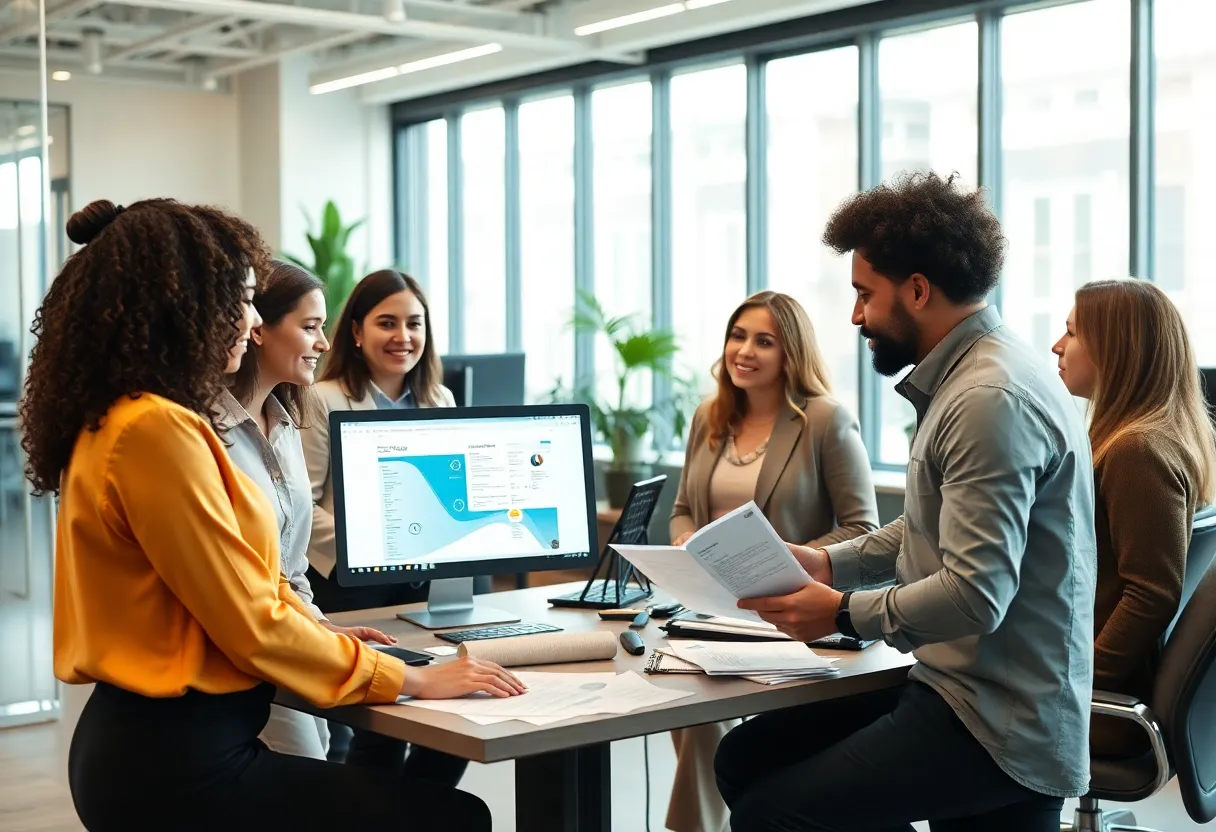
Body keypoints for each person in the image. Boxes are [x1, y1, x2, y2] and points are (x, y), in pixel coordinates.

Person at [23, 198, 524, 831]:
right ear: (184, 309)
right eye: (241, 301)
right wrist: (408, 680)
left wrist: (331, 639)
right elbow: (250, 620)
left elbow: (244, 592)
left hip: (157, 746)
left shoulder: (125, 419)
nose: (250, 320)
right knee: (453, 816)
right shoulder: (157, 429)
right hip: (178, 763)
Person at [714, 172, 1097, 832]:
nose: (856, 315)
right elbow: (928, 527)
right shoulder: (978, 375)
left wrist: (842, 613)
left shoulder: (986, 399)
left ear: (918, 290)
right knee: (747, 757)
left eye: (865, 294)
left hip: (996, 719)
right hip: (959, 688)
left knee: (769, 813)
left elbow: (977, 593)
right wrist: (827, 565)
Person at [666, 290, 879, 832]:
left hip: (790, 612)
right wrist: (687, 546)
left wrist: (785, 560)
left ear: (792, 354)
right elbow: (684, 510)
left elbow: (864, 530)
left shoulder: (825, 420)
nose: (745, 351)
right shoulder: (709, 416)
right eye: (738, 336)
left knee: (704, 717)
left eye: (765, 341)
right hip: (711, 606)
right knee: (682, 689)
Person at [220, 259, 399, 760]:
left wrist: (321, 625)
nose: (323, 343)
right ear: (258, 330)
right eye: (310, 327)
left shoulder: (285, 418)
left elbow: (288, 568)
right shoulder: (205, 433)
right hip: (256, 656)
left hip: (299, 628)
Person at [300, 268, 464, 773]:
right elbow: (301, 505)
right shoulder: (321, 399)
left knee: (447, 719)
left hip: (421, 582)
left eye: (414, 324)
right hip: (349, 587)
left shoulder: (441, 401)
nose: (403, 337)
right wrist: (370, 546)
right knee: (377, 725)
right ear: (356, 331)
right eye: (386, 323)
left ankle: (413, 815)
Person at [1052, 278, 1216, 757]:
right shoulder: (1149, 437)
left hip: (1101, 706)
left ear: (1115, 348)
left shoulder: (1136, 450)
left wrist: (1078, 682)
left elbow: (1151, 594)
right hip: (1101, 691)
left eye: (1072, 334)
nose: (1057, 346)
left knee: (941, 707)